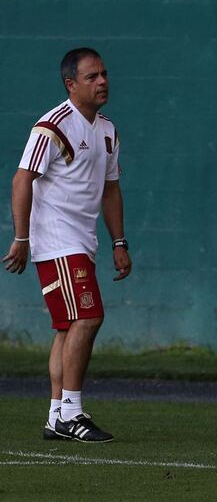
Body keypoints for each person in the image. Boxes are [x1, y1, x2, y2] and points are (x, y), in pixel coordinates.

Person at [2, 48, 132, 442]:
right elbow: (22, 179)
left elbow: (111, 189)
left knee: (67, 328)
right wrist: (21, 238)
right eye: (92, 76)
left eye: (104, 74)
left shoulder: (107, 130)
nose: (102, 81)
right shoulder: (53, 126)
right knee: (88, 318)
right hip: (56, 240)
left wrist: (119, 242)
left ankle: (56, 415)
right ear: (70, 84)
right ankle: (72, 413)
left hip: (82, 241)